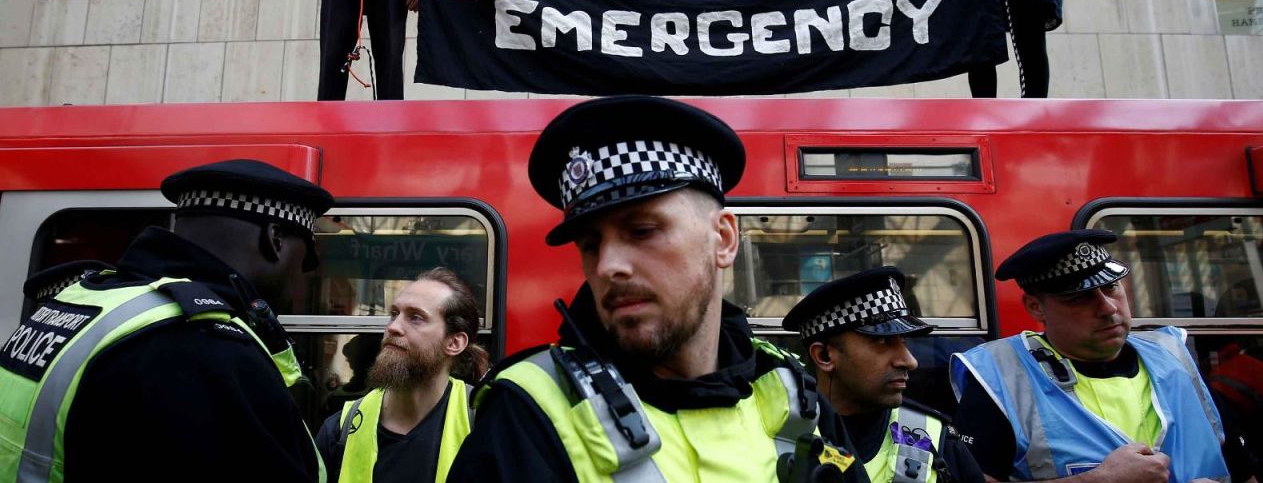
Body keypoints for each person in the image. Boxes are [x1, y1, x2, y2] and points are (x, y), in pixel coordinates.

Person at [448, 95, 871, 482]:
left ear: (723, 239)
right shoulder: (527, 414)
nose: (608, 266)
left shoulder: (798, 399)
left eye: (643, 230)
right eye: (590, 246)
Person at [0, 159, 333, 482]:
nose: (305, 276)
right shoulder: (204, 347)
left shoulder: (83, 300)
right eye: (308, 257)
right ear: (274, 239)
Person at [950, 229, 1257, 483]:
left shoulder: (1174, 356)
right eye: (1080, 298)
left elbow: (1242, 471)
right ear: (1035, 307)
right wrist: (1102, 479)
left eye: (1112, 288)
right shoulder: (1000, 377)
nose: (1108, 309)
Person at [784, 268, 986, 483]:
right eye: (882, 342)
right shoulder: (779, 434)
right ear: (824, 356)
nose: (910, 361)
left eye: (904, 342)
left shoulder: (936, 438)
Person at [314, 268, 487, 483]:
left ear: (453, 343)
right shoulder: (341, 429)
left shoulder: (484, 422)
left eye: (416, 318)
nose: (393, 327)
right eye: (394, 314)